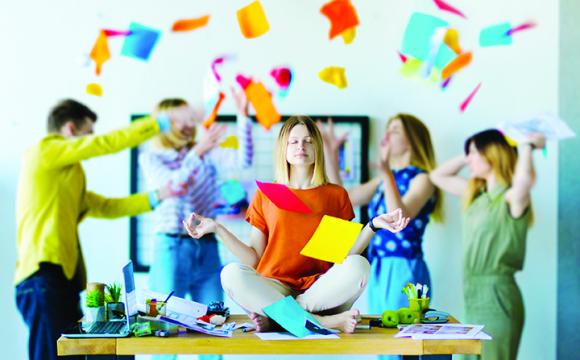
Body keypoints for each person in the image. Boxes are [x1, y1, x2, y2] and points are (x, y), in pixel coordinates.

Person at [184, 115, 410, 333]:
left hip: (318, 291)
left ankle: (281, 319)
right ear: (283, 148)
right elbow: (254, 259)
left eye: (308, 141)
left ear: (317, 149)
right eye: (293, 141)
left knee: (359, 266)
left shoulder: (335, 195)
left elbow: (341, 256)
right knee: (231, 273)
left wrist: (372, 226)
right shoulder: (265, 195)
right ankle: (323, 322)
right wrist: (218, 229)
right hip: (274, 287)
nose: (301, 146)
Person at [15, 99, 194, 360]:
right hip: (41, 278)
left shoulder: (66, 176)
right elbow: (104, 144)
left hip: (60, 282)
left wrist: (158, 195)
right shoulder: (44, 151)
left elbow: (106, 207)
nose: (91, 140)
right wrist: (161, 122)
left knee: (73, 353)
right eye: (88, 133)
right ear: (70, 130)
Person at [139, 90, 252, 360]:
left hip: (207, 247)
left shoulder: (207, 155)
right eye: (183, 119)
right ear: (164, 123)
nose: (191, 124)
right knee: (163, 331)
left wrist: (244, 116)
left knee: (213, 327)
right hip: (171, 246)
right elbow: (174, 186)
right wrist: (198, 153)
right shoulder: (151, 158)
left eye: (192, 118)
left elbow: (243, 160)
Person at [429, 129, 545, 360]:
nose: (469, 158)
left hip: (497, 296)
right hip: (473, 295)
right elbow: (437, 177)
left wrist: (526, 147)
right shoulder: (475, 195)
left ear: (492, 153)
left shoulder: (511, 197)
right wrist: (468, 154)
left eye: (473, 153)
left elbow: (525, 180)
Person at [321, 114, 443, 313]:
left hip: (404, 266)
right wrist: (332, 156)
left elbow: (399, 215)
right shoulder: (383, 179)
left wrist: (385, 170)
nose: (386, 134)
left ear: (412, 140)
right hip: (378, 266)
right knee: (383, 335)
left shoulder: (422, 179)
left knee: (401, 336)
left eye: (395, 130)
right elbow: (345, 198)